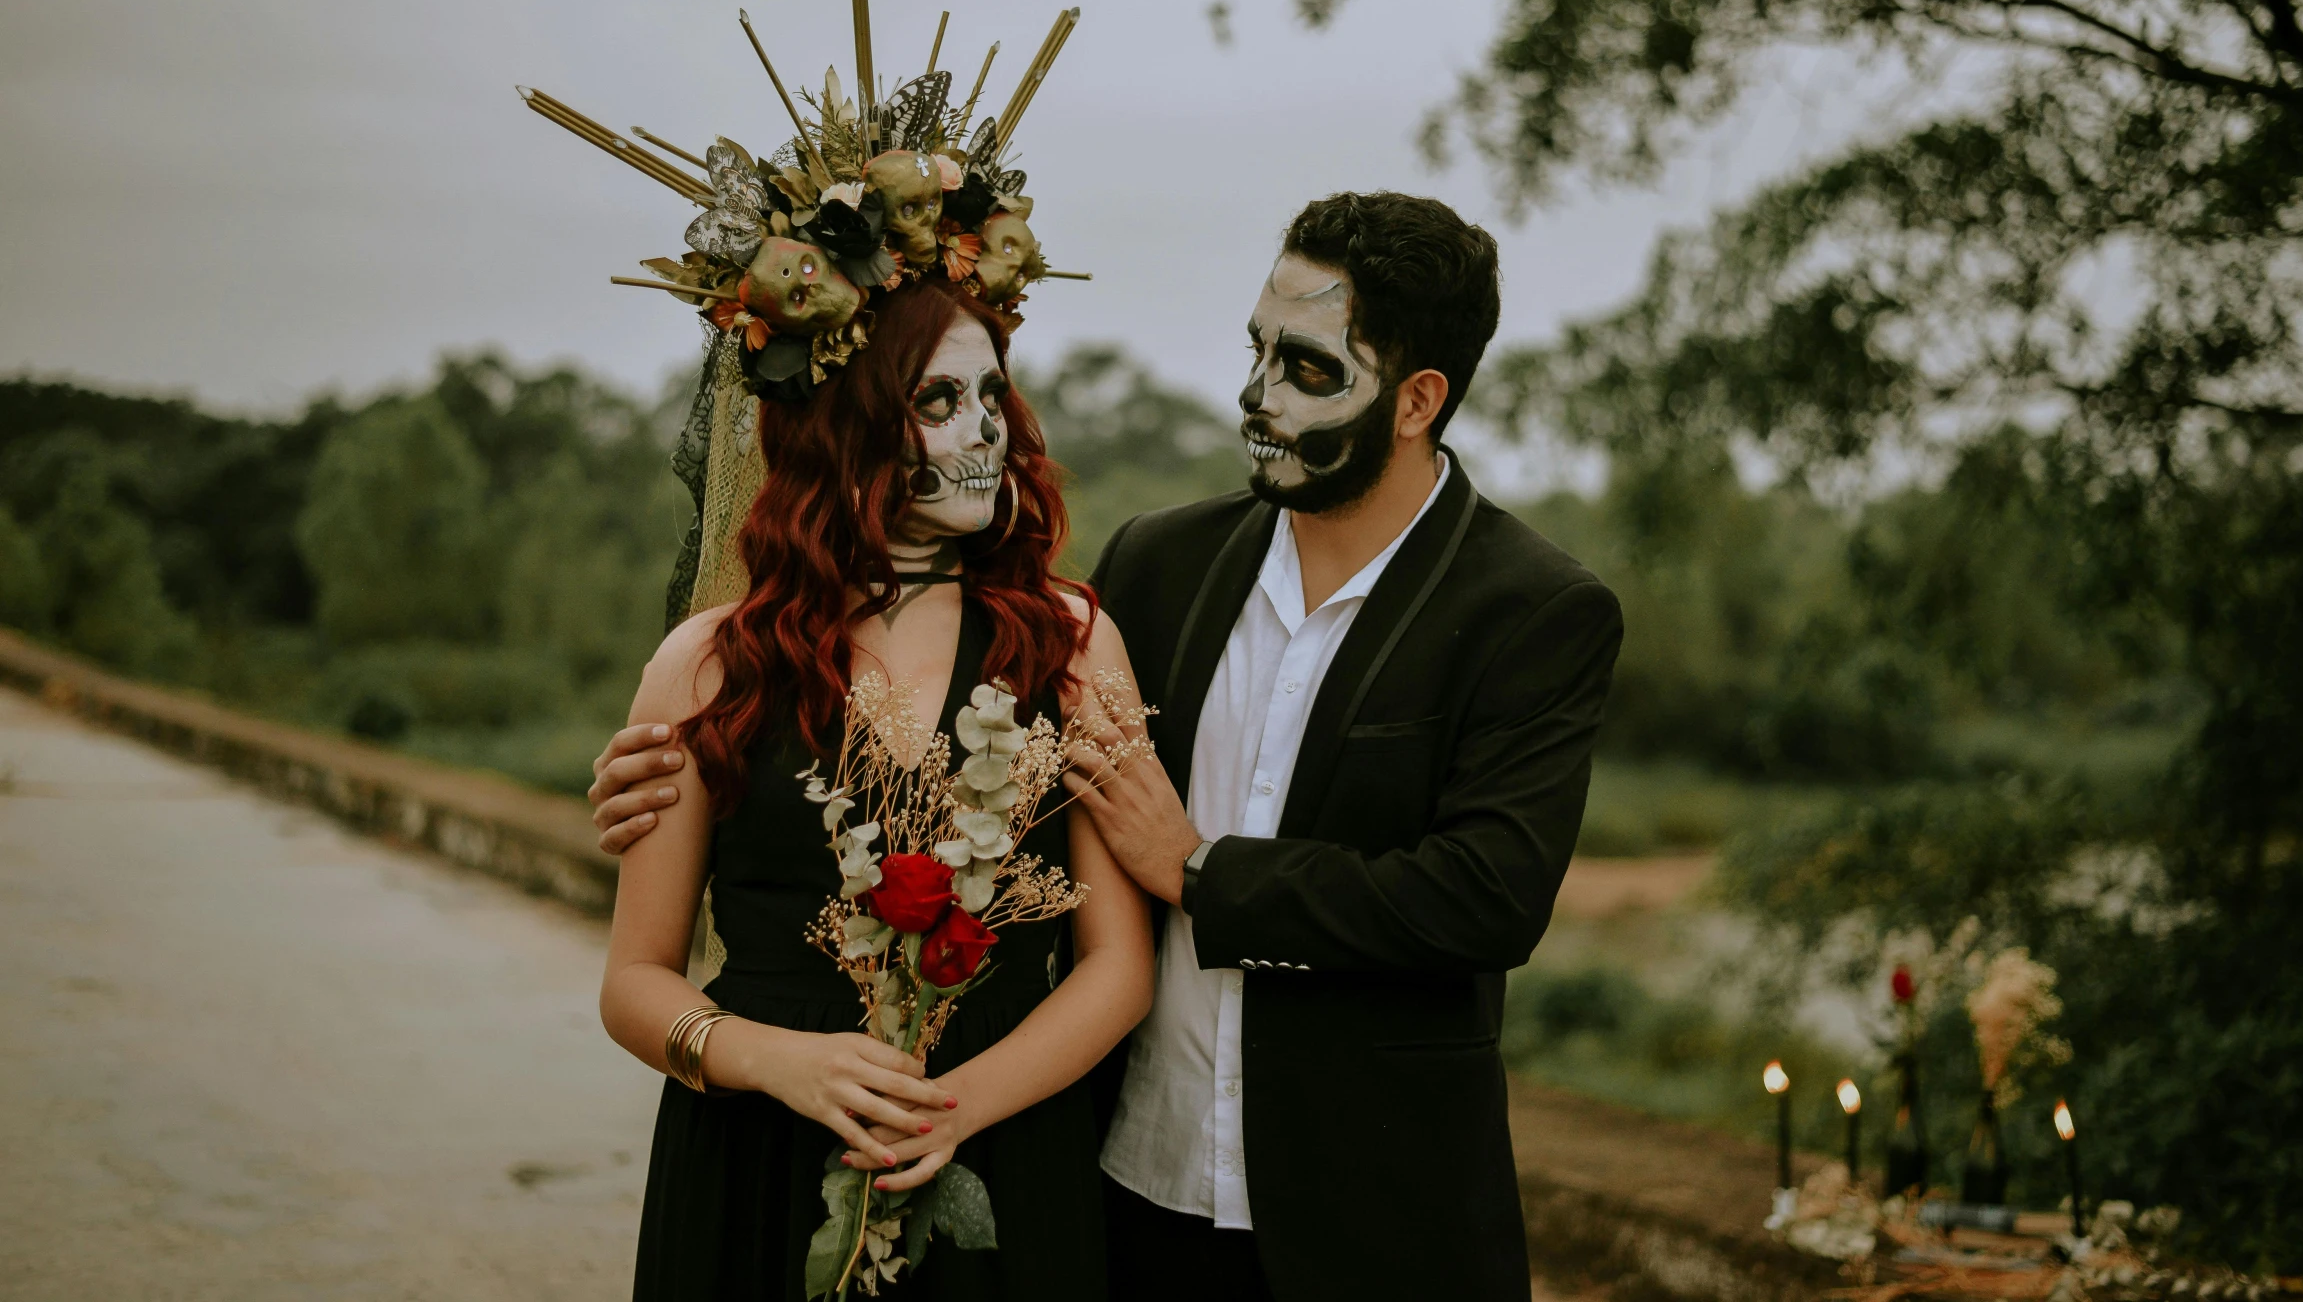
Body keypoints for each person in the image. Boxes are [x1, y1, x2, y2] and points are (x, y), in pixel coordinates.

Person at [595, 191, 1622, 1301]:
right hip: (1123, 1190)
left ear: (1419, 398)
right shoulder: (1158, 569)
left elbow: (1485, 897)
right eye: (1257, 349)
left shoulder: (1532, 609)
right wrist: (656, 782)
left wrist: (1199, 871)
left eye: (1309, 368)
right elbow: (659, 930)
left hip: (1363, 1210)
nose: (1257, 394)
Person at [604, 279, 1154, 1301]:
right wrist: (772, 1060)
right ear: (843, 420)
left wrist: (954, 1107)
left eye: (994, 396)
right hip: (757, 1158)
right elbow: (634, 980)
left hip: (1003, 1145)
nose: (985, 429)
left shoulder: (1073, 640)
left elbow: (1119, 964)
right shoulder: (706, 664)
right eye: (939, 401)